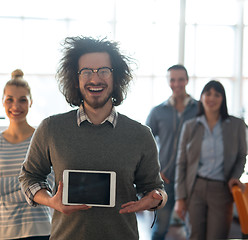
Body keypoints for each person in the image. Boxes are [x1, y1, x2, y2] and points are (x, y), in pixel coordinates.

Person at [19, 36, 167, 240]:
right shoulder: (51, 128)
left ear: (116, 78)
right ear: (75, 78)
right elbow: (29, 176)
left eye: (104, 71)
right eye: (86, 71)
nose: (95, 79)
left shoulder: (140, 134)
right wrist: (51, 201)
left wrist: (157, 199)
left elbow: (155, 188)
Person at [0, 69, 53, 240]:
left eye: (22, 100)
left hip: (38, 229)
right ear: (2, 102)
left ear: (30, 102)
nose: (15, 106)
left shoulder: (42, 138)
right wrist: (30, 182)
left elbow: (49, 186)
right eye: (9, 99)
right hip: (0, 229)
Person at [174, 80, 247, 240]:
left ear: (223, 99)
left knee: (217, 236)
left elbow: (242, 156)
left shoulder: (237, 125)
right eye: (208, 93)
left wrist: (235, 175)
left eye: (217, 94)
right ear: (201, 97)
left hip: (221, 189)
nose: (212, 98)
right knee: (195, 235)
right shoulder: (190, 126)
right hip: (195, 188)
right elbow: (181, 163)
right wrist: (180, 198)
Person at [146, 64, 198, 240]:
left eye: (181, 79)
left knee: (195, 230)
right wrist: (155, 172)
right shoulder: (158, 112)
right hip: (165, 180)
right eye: (172, 80)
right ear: (168, 82)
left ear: (187, 80)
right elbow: (145, 145)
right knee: (160, 229)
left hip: (193, 180)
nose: (177, 84)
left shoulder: (200, 109)